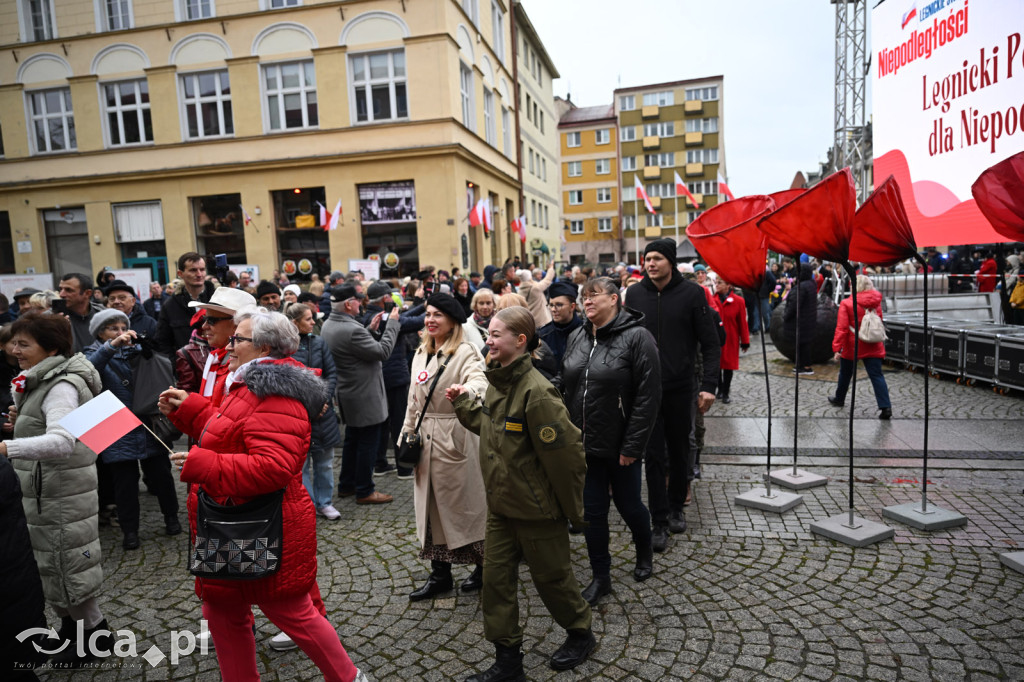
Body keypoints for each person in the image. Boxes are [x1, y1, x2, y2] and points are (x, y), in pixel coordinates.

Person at [161, 308, 368, 682]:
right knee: (222, 613)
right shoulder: (247, 383)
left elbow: (274, 468)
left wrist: (202, 464)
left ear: (265, 347)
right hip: (233, 522)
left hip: (260, 525)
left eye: (238, 339)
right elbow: (232, 430)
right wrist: (190, 409)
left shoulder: (274, 394)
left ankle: (349, 678)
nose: (228, 346)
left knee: (292, 612)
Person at [449, 307, 595, 680]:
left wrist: (574, 513)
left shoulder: (538, 393)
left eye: (496, 334)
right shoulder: (500, 383)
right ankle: (508, 661)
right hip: (501, 506)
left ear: (520, 341)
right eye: (488, 333)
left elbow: (567, 460)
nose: (489, 340)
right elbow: (493, 428)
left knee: (554, 580)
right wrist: (464, 405)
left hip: (536, 511)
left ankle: (580, 634)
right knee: (495, 583)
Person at [2, 312, 111, 666]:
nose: (13, 349)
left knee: (66, 564)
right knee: (54, 564)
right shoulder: (44, 379)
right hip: (50, 489)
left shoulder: (60, 385)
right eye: (13, 342)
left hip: (60, 492)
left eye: (23, 343)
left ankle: (95, 637)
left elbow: (62, 443)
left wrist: (7, 448)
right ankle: (71, 630)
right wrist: (23, 423)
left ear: (50, 349)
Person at [561, 278, 660, 605]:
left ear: (615, 299)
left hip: (620, 446)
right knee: (592, 513)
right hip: (583, 445)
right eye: (583, 297)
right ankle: (601, 576)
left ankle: (644, 550)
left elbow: (648, 398)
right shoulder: (577, 335)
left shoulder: (637, 337)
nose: (586, 302)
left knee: (629, 506)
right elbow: (568, 386)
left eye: (593, 296)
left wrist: (632, 447)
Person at [627, 239, 720, 552]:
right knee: (652, 455)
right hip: (645, 388)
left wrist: (709, 385)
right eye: (647, 259)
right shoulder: (635, 293)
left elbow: (710, 343)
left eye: (656, 258)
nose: (650, 264)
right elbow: (624, 340)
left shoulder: (692, 293)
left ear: (669, 261)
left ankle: (677, 504)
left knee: (680, 450)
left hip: (682, 386)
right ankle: (659, 520)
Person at [402, 294, 488, 602]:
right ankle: (440, 575)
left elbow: (480, 381)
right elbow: (414, 402)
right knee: (430, 510)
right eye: (427, 314)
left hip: (455, 437)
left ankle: (483, 568)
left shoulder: (466, 351)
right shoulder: (422, 352)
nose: (430, 320)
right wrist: (406, 436)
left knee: (465, 506)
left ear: (452, 320)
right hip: (424, 440)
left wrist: (466, 390)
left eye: (438, 315)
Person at [85, 309, 180, 549]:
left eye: (121, 327)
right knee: (125, 484)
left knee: (162, 476)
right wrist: (110, 347)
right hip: (113, 425)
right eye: (112, 329)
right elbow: (87, 371)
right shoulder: (90, 353)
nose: (120, 333)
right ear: (100, 333)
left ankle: (171, 518)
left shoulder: (140, 349)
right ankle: (130, 531)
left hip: (148, 422)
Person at [321, 282, 400, 505]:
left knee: (353, 440)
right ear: (348, 304)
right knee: (368, 442)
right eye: (358, 299)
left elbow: (350, 347)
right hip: (364, 394)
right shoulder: (351, 328)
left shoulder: (330, 323)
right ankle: (365, 490)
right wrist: (392, 324)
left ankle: (347, 485)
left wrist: (370, 331)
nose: (361, 302)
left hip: (349, 392)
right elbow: (383, 352)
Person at [285, 302, 343, 520]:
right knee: (301, 465)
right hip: (297, 415)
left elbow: (331, 374)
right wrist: (305, 406)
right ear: (294, 322)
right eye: (308, 319)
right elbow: (286, 379)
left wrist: (323, 401)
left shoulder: (319, 342)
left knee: (325, 463)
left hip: (323, 414)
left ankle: (324, 502)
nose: (313, 322)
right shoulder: (284, 346)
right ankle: (307, 504)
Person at [363, 281, 425, 478]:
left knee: (383, 421)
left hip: (381, 377)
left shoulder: (372, 315)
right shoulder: (383, 318)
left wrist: (421, 306)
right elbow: (410, 323)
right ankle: (404, 467)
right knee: (399, 421)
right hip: (394, 377)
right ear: (385, 298)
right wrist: (433, 310)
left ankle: (380, 464)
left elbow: (403, 317)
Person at [828, 275, 892, 420]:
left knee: (845, 373)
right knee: (877, 375)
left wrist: (837, 348)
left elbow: (842, 328)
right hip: (873, 342)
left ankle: (839, 398)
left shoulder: (847, 303)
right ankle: (885, 407)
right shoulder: (876, 302)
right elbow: (879, 321)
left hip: (853, 344)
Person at [154, 253, 216, 357]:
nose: (199, 274)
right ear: (180, 273)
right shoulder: (170, 305)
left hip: (218, 366)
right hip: (186, 368)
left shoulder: (218, 299)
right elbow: (163, 342)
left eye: (202, 269)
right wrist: (178, 365)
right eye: (193, 270)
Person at [713, 280, 750, 405]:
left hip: (731, 339)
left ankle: (726, 391)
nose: (716, 285)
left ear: (728, 285)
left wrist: (745, 341)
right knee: (716, 365)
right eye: (715, 282)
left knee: (728, 366)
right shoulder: (712, 300)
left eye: (719, 283)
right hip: (715, 338)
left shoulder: (738, 301)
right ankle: (719, 389)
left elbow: (742, 323)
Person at [538, 280, 582, 370]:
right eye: (551, 305)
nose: (553, 309)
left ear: (572, 307)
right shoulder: (544, 335)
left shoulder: (586, 332)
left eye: (559, 305)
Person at [58, 273, 105, 352]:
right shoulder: (51, 318)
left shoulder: (104, 315)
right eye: (60, 289)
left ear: (87, 293)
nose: (61, 294)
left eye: (68, 290)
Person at [784, 264, 818, 375]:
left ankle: (805, 366)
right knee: (804, 344)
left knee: (802, 344)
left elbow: (794, 304)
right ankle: (802, 365)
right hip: (808, 319)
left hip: (801, 320)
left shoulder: (802, 287)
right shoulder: (811, 284)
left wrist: (786, 315)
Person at [515, 263, 555, 328]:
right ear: (529, 277)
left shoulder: (520, 290)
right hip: (541, 320)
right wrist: (550, 268)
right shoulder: (534, 288)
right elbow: (547, 281)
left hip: (530, 319)